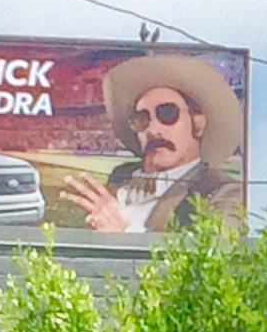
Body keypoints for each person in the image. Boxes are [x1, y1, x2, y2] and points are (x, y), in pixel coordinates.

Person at [64, 51, 244, 234]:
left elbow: (215, 254)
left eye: (167, 114)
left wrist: (123, 234)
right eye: (142, 119)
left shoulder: (223, 191)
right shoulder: (121, 176)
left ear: (198, 124)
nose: (152, 129)